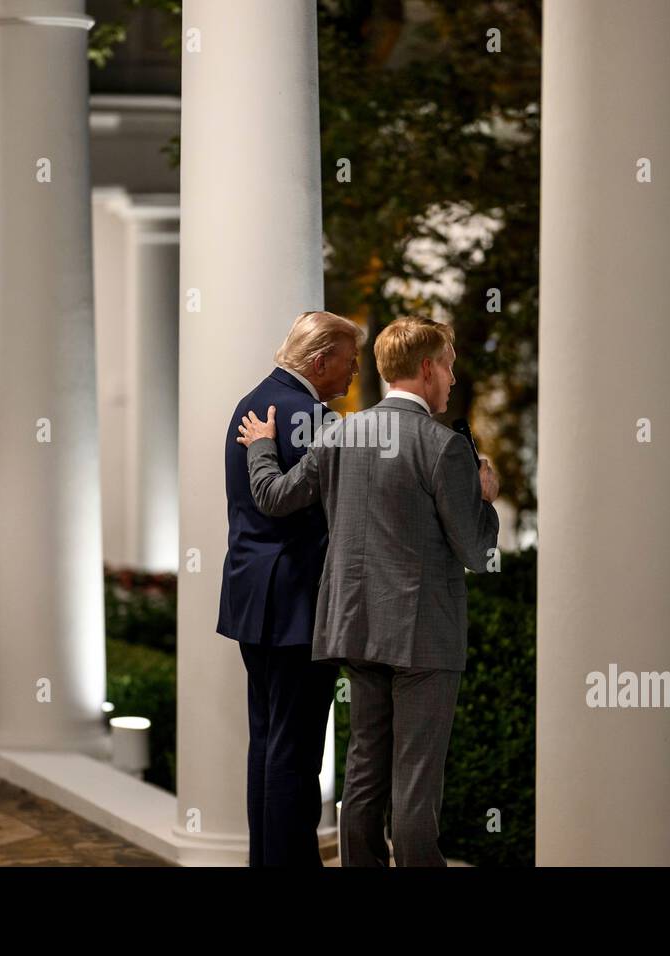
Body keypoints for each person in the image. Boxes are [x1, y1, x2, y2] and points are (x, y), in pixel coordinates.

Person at [236, 316, 499, 866]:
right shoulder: (444, 447)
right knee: (416, 784)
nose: (452, 379)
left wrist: (262, 446)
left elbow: (276, 496)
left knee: (363, 777)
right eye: (449, 367)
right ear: (427, 369)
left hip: (355, 629)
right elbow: (477, 552)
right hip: (423, 637)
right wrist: (485, 498)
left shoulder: (339, 432)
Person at [217, 311, 363, 866]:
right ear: (320, 359)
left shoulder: (255, 400)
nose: (351, 376)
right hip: (297, 601)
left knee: (268, 741)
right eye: (348, 363)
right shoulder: (311, 418)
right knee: (297, 753)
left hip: (254, 596)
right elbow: (297, 505)